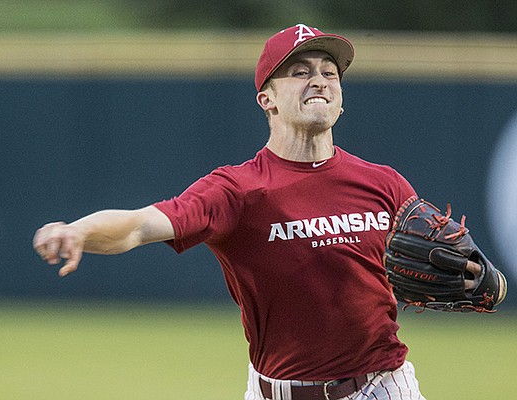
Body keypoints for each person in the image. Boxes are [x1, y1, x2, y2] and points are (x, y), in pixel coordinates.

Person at [34, 23, 483, 399]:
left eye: (330, 72)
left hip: (381, 386)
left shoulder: (384, 183)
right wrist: (78, 232)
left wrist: (477, 276)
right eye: (299, 71)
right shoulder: (237, 190)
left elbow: (450, 257)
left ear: (342, 98)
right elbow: (141, 224)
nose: (319, 79)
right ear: (266, 99)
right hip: (274, 390)